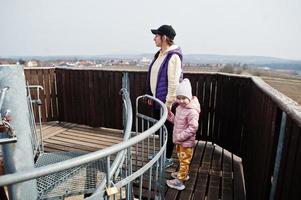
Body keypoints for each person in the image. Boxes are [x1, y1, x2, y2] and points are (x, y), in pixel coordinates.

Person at [146, 24, 183, 168]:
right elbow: (154, 77)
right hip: (157, 101)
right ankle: (161, 154)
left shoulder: (173, 57)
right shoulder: (161, 55)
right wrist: (150, 96)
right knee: (161, 130)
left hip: (166, 104)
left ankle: (167, 158)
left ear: (165, 38)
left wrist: (168, 106)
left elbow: (173, 84)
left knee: (166, 131)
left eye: (156, 35)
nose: (154, 38)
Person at [166, 78, 201, 190]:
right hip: (180, 141)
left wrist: (180, 137)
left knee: (184, 161)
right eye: (179, 98)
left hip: (185, 142)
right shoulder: (180, 108)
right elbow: (177, 121)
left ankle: (179, 182)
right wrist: (169, 114)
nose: (181, 100)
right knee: (182, 160)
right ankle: (183, 174)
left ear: (189, 97)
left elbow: (193, 127)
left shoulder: (192, 111)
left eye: (183, 98)